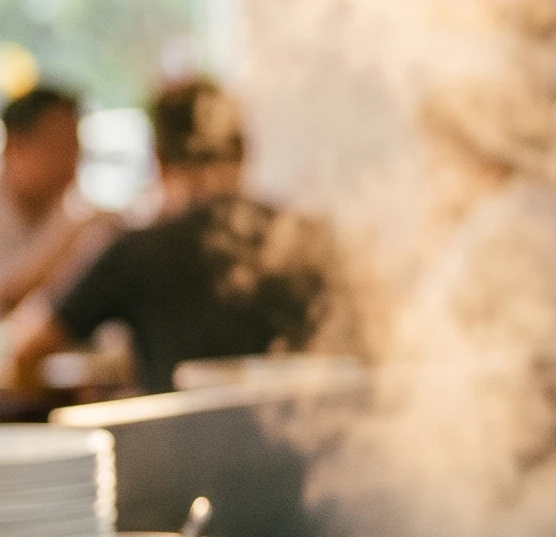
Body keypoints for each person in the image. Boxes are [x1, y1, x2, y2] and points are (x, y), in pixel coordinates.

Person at [11, 80, 331, 394]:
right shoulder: (304, 238)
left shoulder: (134, 250)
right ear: (244, 153)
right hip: (298, 433)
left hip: (177, 442)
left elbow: (26, 352)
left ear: (159, 161)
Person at [0, 86, 115, 314]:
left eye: (76, 147)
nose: (71, 162)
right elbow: (7, 293)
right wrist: (76, 233)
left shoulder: (67, 214)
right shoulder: (76, 224)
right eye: (59, 146)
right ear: (15, 147)